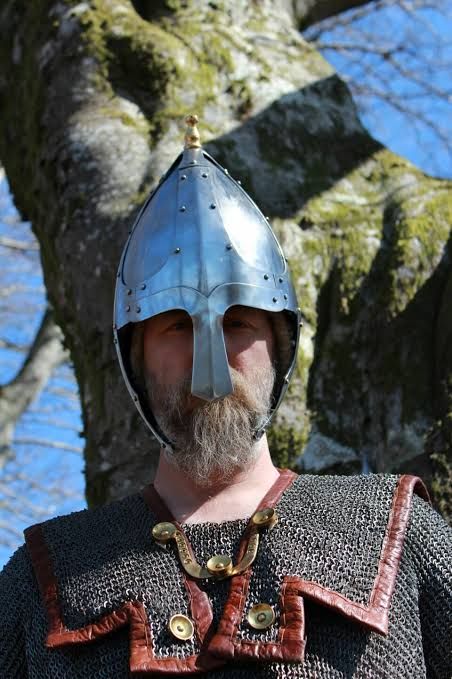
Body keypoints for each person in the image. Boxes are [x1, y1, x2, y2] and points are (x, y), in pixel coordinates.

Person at [0, 115, 451, 678]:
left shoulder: (400, 539)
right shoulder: (41, 580)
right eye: (176, 326)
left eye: (237, 323)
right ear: (136, 359)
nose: (208, 359)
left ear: (279, 347)